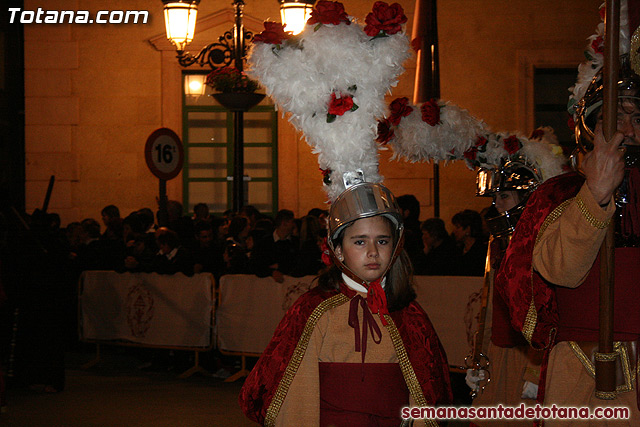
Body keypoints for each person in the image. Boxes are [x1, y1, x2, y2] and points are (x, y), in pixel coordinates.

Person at [495, 53, 640, 424]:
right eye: (613, 118)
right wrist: (596, 193)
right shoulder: (559, 193)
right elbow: (559, 269)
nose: (626, 130)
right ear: (590, 125)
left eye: (637, 118)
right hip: (582, 369)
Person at [239, 182, 451, 426]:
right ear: (338, 250)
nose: (373, 252)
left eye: (382, 241)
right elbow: (296, 395)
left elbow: (426, 392)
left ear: (395, 246)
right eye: (360, 242)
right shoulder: (314, 310)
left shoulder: (409, 313)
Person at [249, 209, 299, 282]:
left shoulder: (295, 242)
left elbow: (298, 264)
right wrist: (270, 272)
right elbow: (255, 264)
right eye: (292, 222)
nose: (294, 225)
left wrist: (280, 266)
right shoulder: (264, 243)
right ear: (284, 223)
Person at [450, 209, 487, 276]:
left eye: (458, 227)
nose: (454, 231)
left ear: (468, 229)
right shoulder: (457, 249)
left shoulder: (481, 250)